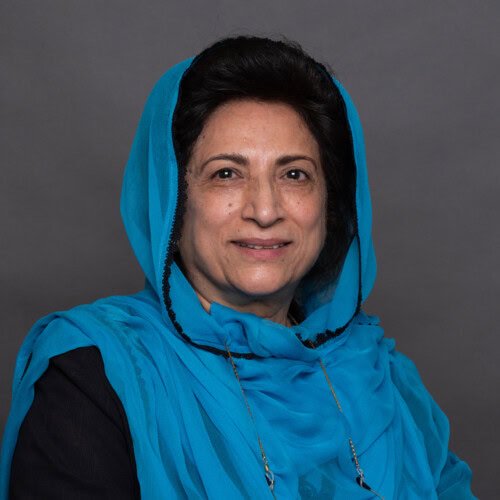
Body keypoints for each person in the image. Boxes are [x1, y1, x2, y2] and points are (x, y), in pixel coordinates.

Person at [0, 36, 475, 499]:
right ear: (173, 203)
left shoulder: (384, 376)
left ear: (330, 206)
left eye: (294, 174)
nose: (265, 211)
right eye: (226, 174)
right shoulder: (92, 372)